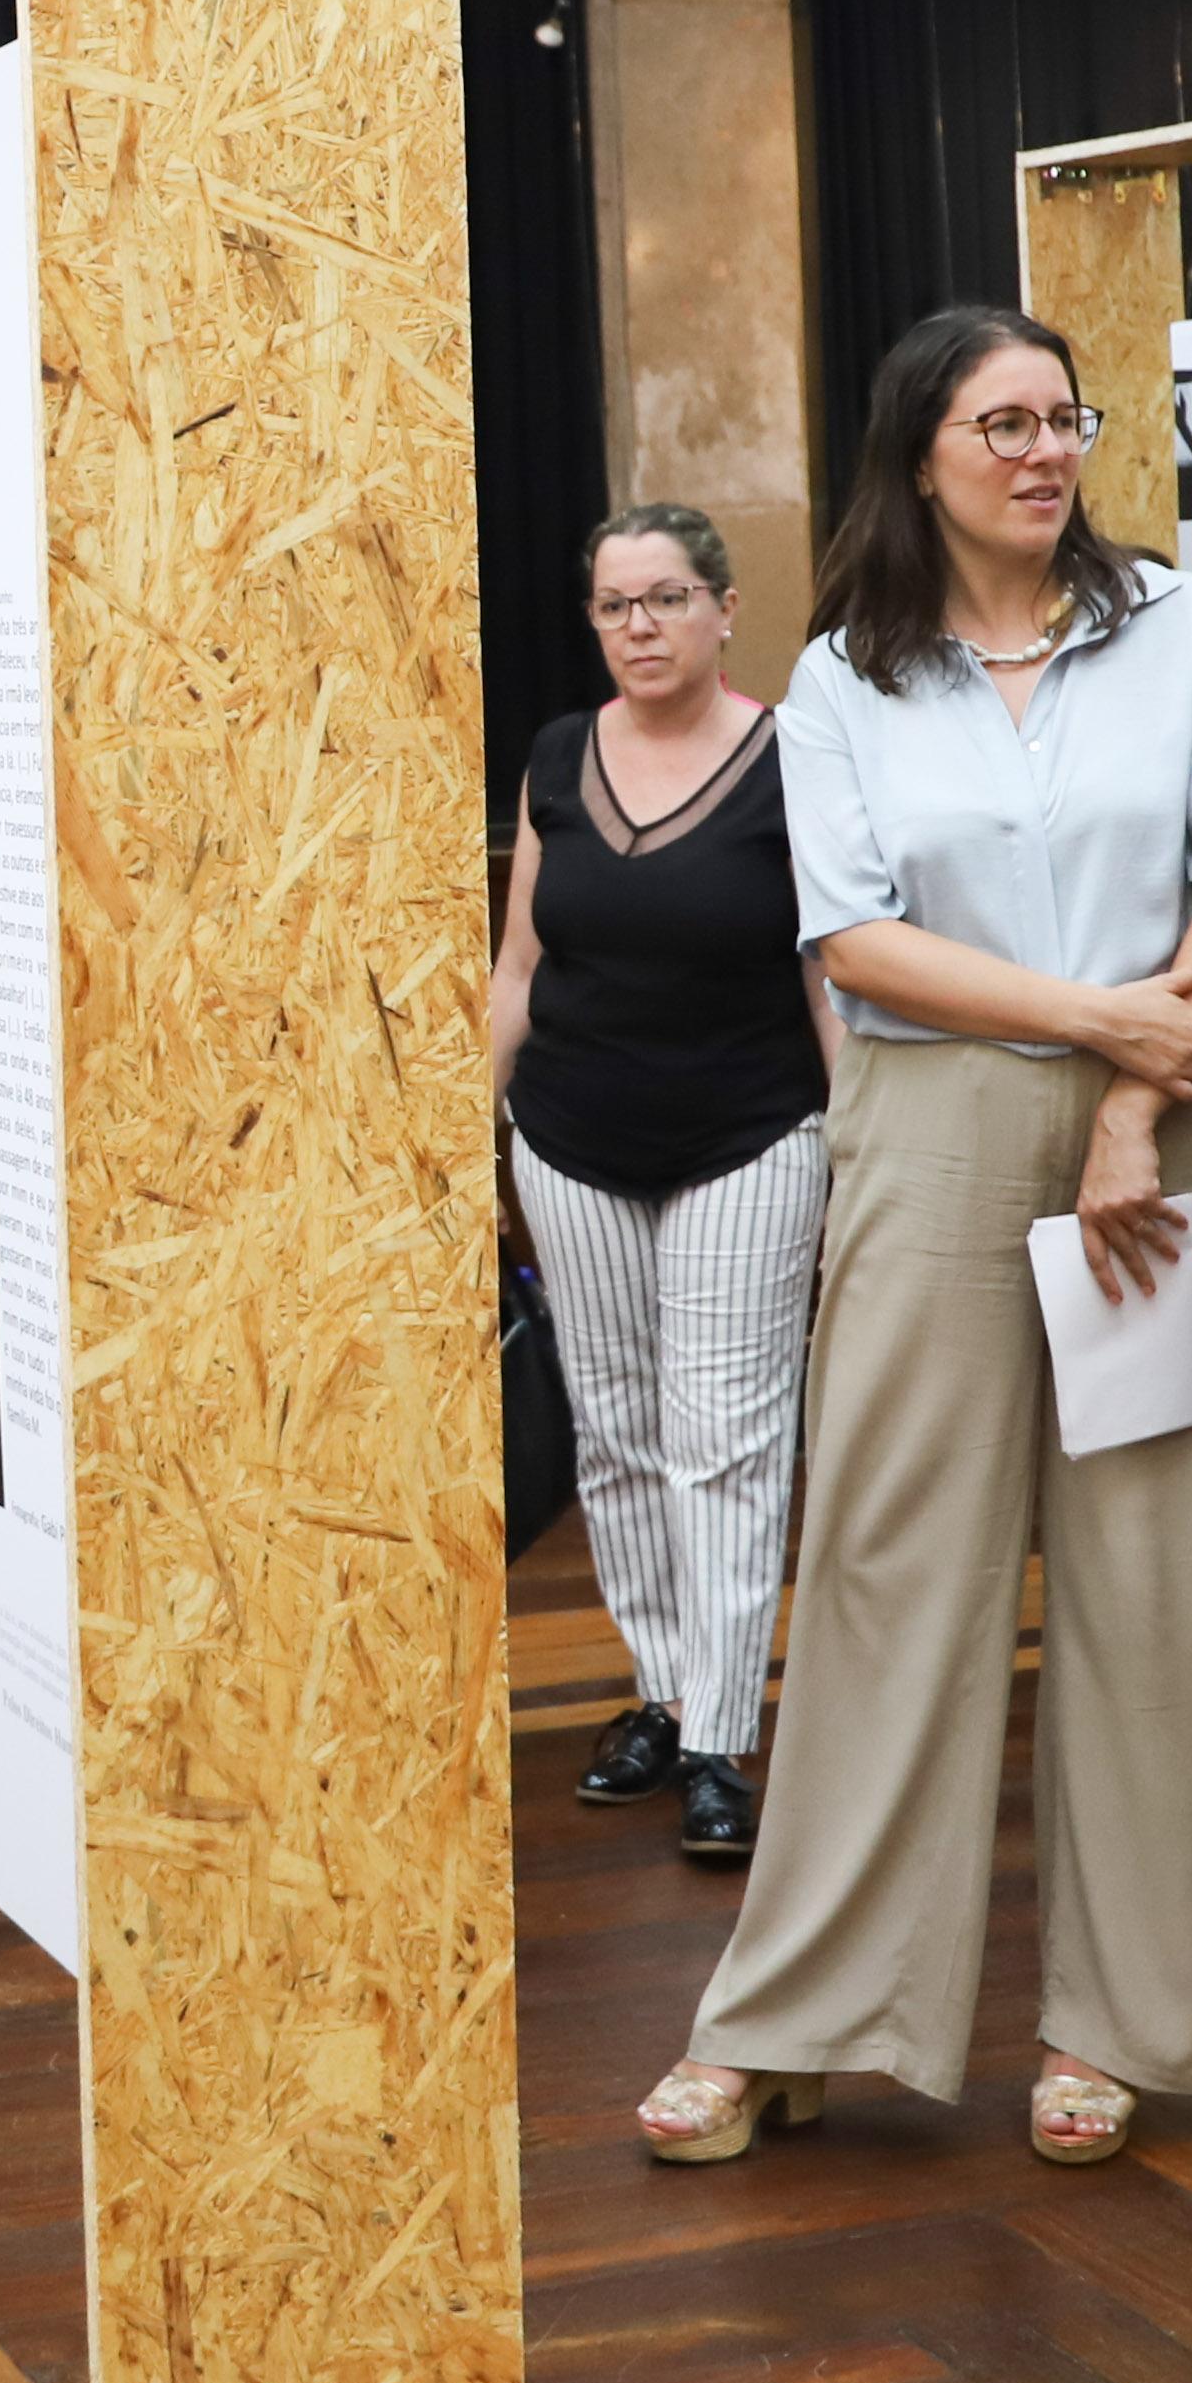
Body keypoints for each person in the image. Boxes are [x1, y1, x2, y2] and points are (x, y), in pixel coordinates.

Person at [640, 316, 1192, 2173]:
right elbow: (853, 940)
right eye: (993, 423)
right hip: (939, 1123)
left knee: (1155, 1572)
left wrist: (1131, 1097)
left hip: (1170, 1115)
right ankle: (788, 2019)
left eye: (1060, 418)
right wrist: (1096, 1030)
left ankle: (1119, 2024)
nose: (1037, 450)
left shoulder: (1182, 623)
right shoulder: (846, 675)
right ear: (915, 454)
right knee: (883, 1560)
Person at [484, 500, 832, 1870]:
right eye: (617, 604)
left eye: (668, 598)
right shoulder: (560, 755)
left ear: (726, 607)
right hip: (570, 1136)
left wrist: (852, 1138)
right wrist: (470, 1120)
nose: (642, 625)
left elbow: (827, 966)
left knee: (724, 1437)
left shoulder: (791, 756)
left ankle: (722, 1740)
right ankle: (665, 1687)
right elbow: (520, 963)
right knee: (617, 1434)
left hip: (745, 1136)